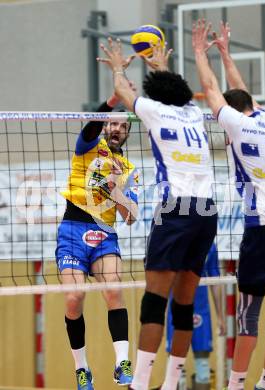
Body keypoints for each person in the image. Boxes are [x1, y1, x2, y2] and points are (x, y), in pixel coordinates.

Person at [97, 38, 218, 390]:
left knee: (154, 303)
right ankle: (169, 385)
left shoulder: (152, 111)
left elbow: (121, 88)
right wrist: (161, 65)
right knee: (184, 304)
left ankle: (140, 383)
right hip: (207, 211)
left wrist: (118, 65)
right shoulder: (195, 114)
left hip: (175, 210)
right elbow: (175, 91)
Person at [192, 20, 265, 390]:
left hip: (263, 227)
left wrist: (199, 53)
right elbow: (240, 91)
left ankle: (237, 384)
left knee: (249, 315)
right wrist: (225, 53)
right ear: (252, 107)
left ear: (231, 113)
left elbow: (212, 90)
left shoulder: (236, 125)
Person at [56, 55, 139, 389]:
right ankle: (82, 369)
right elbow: (91, 124)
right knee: (74, 298)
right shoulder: (88, 146)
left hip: (105, 234)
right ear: (106, 127)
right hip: (73, 229)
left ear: (128, 133)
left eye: (123, 125)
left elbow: (131, 217)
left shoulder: (128, 168)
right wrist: (115, 99)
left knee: (114, 289)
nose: (116, 129)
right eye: (113, 123)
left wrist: (117, 191)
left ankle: (122, 365)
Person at [166, 243, 226, 390]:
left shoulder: (209, 245)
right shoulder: (171, 240)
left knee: (203, 366)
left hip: (201, 311)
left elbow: (215, 281)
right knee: (176, 367)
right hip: (175, 311)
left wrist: (221, 317)